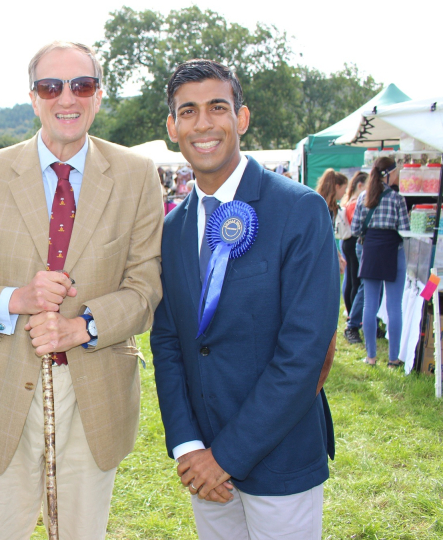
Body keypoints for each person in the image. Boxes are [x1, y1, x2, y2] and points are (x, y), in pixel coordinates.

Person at [0, 41, 163, 540]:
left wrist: (83, 327)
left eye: (81, 85)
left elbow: (146, 289)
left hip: (94, 393)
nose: (67, 98)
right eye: (50, 86)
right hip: (0, 394)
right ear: (33, 98)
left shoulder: (137, 175)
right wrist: (15, 300)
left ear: (99, 95)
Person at [151, 59, 337, 540]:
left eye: (218, 107)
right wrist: (188, 446)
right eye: (188, 112)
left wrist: (225, 458)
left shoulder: (299, 210)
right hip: (202, 465)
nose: (204, 123)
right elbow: (168, 342)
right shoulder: (171, 229)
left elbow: (303, 353)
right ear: (173, 127)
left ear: (242, 118)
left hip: (279, 457)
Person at [351, 157, 409, 368]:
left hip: (371, 251)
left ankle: (371, 357)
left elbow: (356, 229)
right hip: (394, 251)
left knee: (370, 305)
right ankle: (393, 359)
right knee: (394, 306)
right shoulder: (397, 198)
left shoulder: (364, 198)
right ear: (388, 174)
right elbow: (404, 229)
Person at [341, 172, 369, 343]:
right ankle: (352, 317)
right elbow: (355, 226)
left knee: (352, 281)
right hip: (352, 242)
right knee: (355, 281)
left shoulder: (350, 202)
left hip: (349, 243)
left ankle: (351, 315)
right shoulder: (354, 203)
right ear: (360, 185)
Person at [315, 168, 349, 274]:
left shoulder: (319, 203)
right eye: (344, 188)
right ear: (337, 187)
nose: (345, 193)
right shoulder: (327, 208)